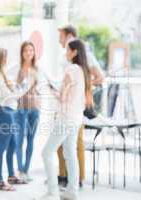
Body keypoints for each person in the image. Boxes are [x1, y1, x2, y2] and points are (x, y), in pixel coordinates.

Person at [37, 40, 92, 200]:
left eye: (67, 50)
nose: (65, 52)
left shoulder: (72, 69)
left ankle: (52, 191)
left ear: (74, 52)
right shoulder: (83, 71)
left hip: (66, 119)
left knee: (46, 152)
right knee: (70, 153)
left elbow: (62, 97)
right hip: (76, 119)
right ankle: (71, 191)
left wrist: (48, 88)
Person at [57, 25, 105, 187]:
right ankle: (63, 176)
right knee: (63, 144)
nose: (59, 40)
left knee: (75, 143)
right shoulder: (68, 57)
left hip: (75, 107)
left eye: (61, 36)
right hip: (65, 106)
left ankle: (77, 178)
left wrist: (82, 86)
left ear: (70, 36)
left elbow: (100, 77)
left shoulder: (84, 55)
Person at [0, 48, 34, 191]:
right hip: (3, 112)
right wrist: (25, 88)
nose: (6, 59)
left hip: (8, 111)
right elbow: (8, 96)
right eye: (5, 57)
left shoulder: (0, 74)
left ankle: (11, 175)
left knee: (12, 144)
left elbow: (9, 93)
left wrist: (17, 88)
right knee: (2, 146)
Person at [16, 41, 41, 182]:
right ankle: (20, 170)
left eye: (31, 50)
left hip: (35, 108)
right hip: (21, 109)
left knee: (31, 140)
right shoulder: (18, 69)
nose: (29, 53)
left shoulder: (37, 69)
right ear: (22, 53)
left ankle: (26, 170)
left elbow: (39, 87)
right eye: (26, 50)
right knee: (20, 140)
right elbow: (15, 89)